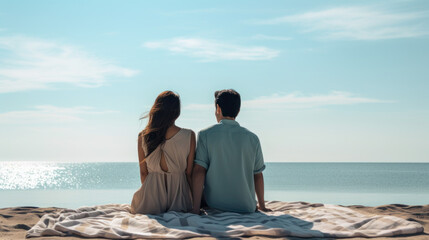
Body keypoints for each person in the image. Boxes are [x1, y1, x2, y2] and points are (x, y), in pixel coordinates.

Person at [191, 89, 269, 214]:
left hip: (214, 204)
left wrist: (195, 209)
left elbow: (199, 172)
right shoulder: (253, 138)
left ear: (218, 109)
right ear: (238, 111)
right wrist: (262, 206)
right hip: (246, 207)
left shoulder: (205, 134)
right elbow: (258, 175)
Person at [131, 91, 195, 214]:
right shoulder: (189, 135)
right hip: (179, 199)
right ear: (177, 113)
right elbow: (189, 173)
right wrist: (197, 200)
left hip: (149, 201)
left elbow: (144, 174)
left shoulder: (143, 136)